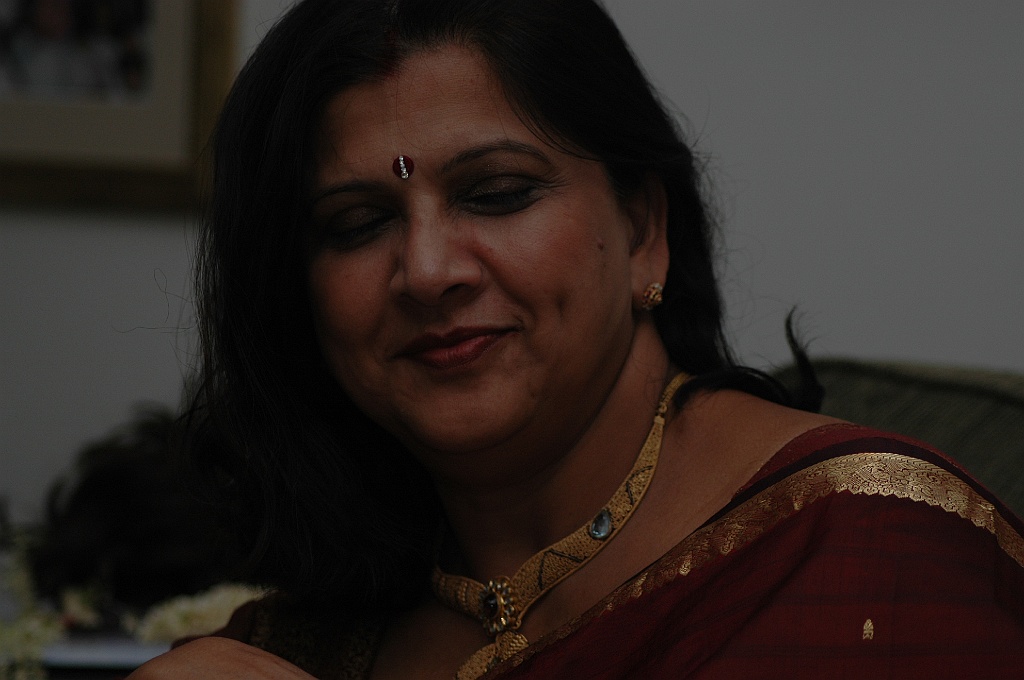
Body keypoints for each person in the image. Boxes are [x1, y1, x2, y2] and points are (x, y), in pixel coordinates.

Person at [129, 0, 1024, 677]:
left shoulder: (871, 556)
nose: (428, 271)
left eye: (497, 194)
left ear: (642, 231)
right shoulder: (305, 638)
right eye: (357, 223)